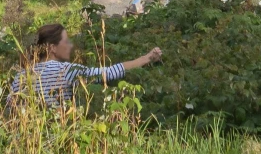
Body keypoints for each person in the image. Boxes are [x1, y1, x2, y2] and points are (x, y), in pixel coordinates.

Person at [10, 22, 162, 107]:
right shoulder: (67, 70)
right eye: (66, 42)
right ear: (52, 48)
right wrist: (146, 58)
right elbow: (108, 73)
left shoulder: (20, 76)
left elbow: (10, 107)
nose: (70, 45)